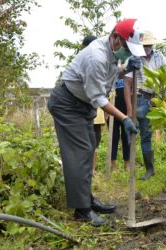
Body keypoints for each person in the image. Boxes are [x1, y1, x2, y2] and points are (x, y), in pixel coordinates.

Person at [47, 19, 144, 226]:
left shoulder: (111, 52)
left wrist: (125, 70)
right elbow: (98, 98)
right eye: (127, 48)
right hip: (67, 104)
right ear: (115, 37)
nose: (128, 53)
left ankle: (87, 199)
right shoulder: (96, 56)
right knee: (80, 152)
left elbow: (107, 76)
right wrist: (124, 117)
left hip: (81, 104)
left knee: (89, 147)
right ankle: (81, 210)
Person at [124, 31, 166, 180]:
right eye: (144, 45)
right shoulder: (133, 58)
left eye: (149, 45)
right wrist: (130, 110)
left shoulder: (160, 57)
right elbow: (127, 85)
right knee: (145, 135)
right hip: (141, 98)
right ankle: (149, 169)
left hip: (159, 98)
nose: (147, 48)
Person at [81, 35, 106, 173]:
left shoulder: (97, 59)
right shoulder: (85, 61)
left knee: (95, 142)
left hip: (97, 111)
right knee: (88, 142)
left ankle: (93, 169)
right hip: (86, 111)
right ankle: (88, 169)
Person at [111, 77, 131, 172]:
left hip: (126, 108)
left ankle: (127, 164)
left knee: (126, 136)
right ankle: (113, 164)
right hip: (112, 108)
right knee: (113, 136)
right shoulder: (111, 70)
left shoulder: (130, 72)